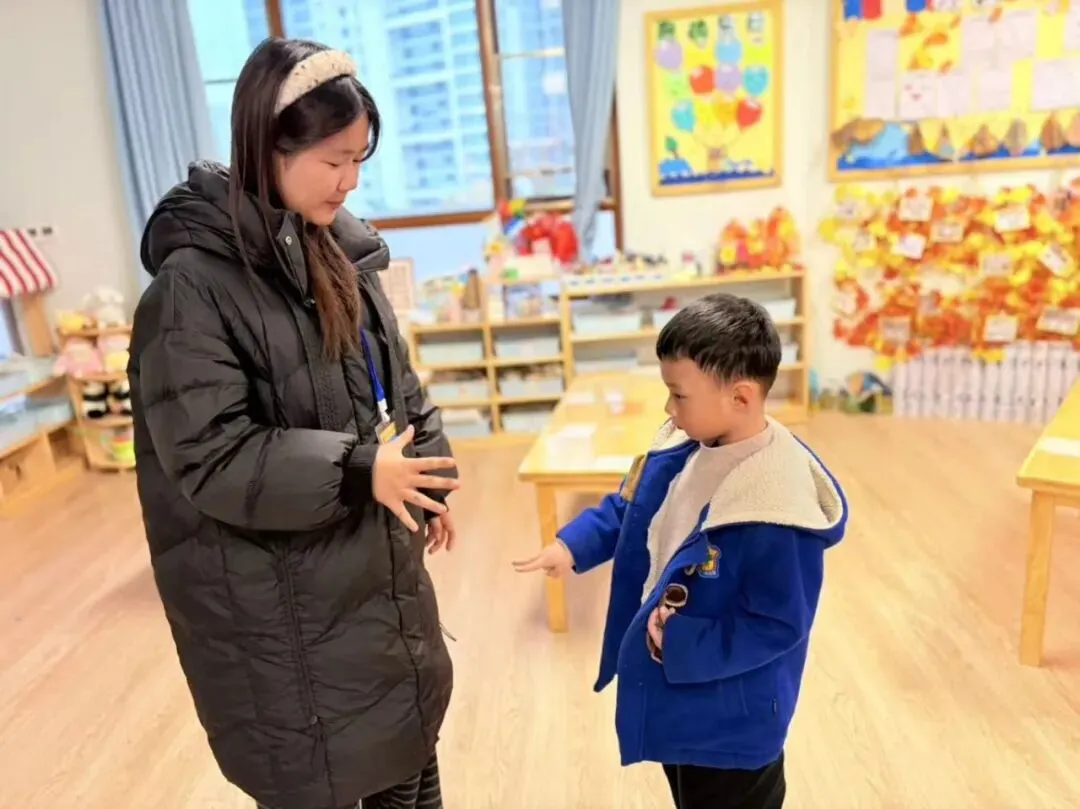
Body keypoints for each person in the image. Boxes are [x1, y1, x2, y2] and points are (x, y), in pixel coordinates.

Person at [129, 38, 459, 809]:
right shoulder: (190, 290)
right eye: (333, 160)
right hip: (286, 621)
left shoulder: (339, 252)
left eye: (359, 160)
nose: (350, 180)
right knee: (335, 770)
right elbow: (213, 455)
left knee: (407, 762)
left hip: (369, 590)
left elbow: (395, 383)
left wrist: (430, 475)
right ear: (266, 146)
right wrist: (359, 469)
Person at [514, 293, 848, 809]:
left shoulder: (780, 507)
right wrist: (573, 545)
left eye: (678, 395)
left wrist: (681, 644)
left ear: (740, 397)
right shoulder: (684, 445)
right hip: (681, 695)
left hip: (733, 726)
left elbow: (779, 623)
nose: (669, 409)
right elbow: (633, 508)